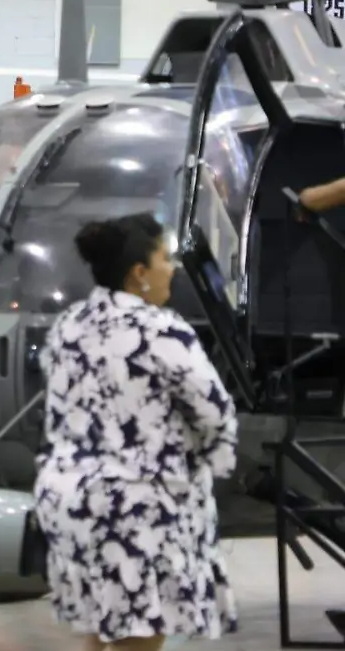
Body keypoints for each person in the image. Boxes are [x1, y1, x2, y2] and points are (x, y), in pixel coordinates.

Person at [34, 213, 239, 651]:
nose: (174, 268)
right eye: (166, 258)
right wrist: (202, 458)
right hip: (136, 510)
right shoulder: (160, 329)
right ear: (139, 274)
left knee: (98, 630)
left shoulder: (69, 324)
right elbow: (216, 412)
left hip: (70, 503)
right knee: (139, 637)